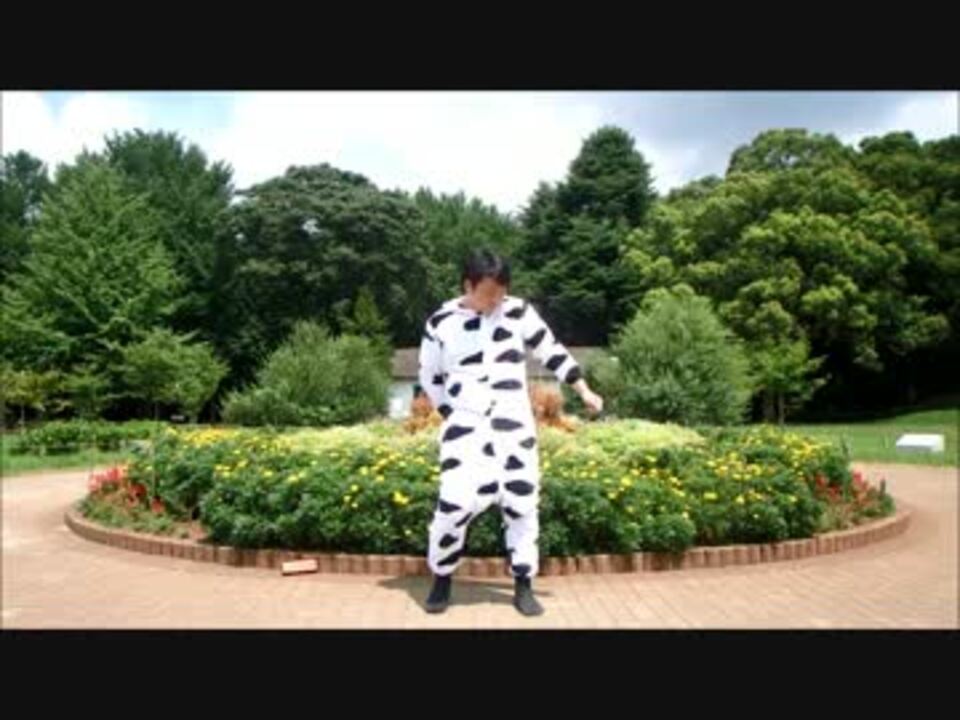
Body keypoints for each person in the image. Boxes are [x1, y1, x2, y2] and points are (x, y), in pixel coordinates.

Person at [417, 249, 604, 616]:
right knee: (453, 505)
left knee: (522, 505)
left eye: (501, 294)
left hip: (514, 426)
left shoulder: (518, 312)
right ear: (468, 285)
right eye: (489, 294)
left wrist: (583, 390)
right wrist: (452, 414)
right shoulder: (440, 323)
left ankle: (523, 585)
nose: (496, 301)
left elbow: (551, 349)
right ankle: (441, 577)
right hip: (465, 429)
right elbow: (429, 375)